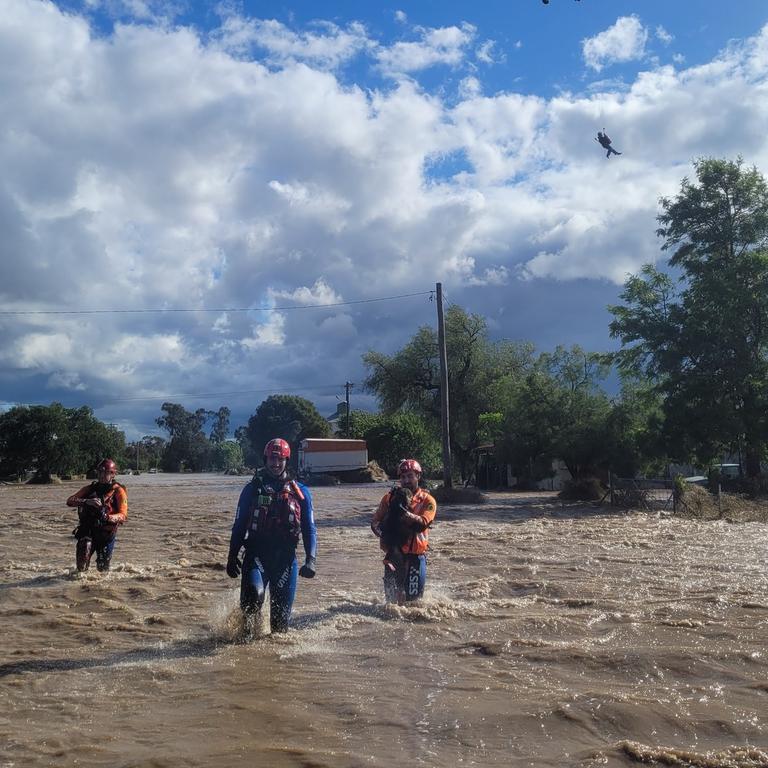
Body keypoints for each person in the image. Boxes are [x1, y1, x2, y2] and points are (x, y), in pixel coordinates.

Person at [226, 438, 317, 635]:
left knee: (280, 628)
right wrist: (232, 555)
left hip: (285, 561)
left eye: (280, 460)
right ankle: (245, 652)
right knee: (253, 598)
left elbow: (309, 527)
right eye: (272, 459)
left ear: (287, 461)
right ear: (265, 460)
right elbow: (239, 525)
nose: (275, 464)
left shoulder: (301, 492)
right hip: (256, 556)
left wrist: (311, 559)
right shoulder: (251, 490)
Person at [371, 459, 436, 604]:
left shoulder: (428, 500)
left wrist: (404, 514)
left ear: (418, 476)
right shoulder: (388, 499)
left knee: (413, 604)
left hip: (415, 558)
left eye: (410, 476)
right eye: (403, 477)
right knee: (391, 605)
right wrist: (384, 534)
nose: (406, 480)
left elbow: (424, 523)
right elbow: (374, 522)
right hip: (393, 555)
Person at [66, 458, 128, 572]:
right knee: (82, 562)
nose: (102, 475)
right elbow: (70, 501)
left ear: (113, 474)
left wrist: (107, 517)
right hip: (88, 530)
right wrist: (85, 501)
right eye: (100, 472)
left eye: (106, 472)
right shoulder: (90, 489)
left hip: (106, 533)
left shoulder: (118, 491)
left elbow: (123, 515)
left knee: (102, 568)